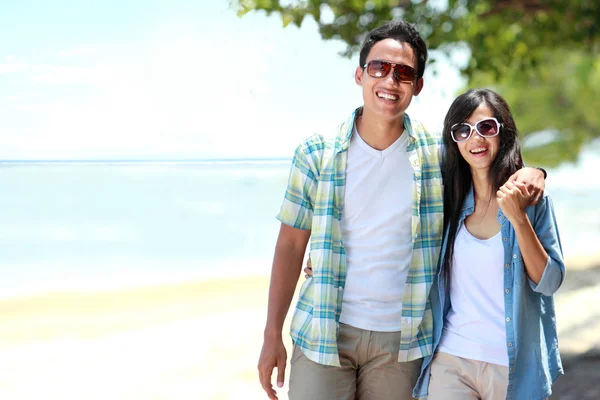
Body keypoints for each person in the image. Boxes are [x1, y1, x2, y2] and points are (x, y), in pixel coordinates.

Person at [257, 20, 546, 400]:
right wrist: (271, 334)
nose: (390, 81)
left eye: (404, 73)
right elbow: (292, 245)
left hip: (403, 342)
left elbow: (488, 168)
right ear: (360, 74)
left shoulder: (437, 155)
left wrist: (534, 171)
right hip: (322, 330)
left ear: (418, 85)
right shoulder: (316, 153)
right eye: (379, 68)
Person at [412, 88, 565, 400]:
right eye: (463, 130)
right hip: (452, 359)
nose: (475, 139)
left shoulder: (532, 201)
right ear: (454, 140)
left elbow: (549, 282)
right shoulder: (447, 199)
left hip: (510, 367)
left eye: (486, 127)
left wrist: (518, 218)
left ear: (503, 132)